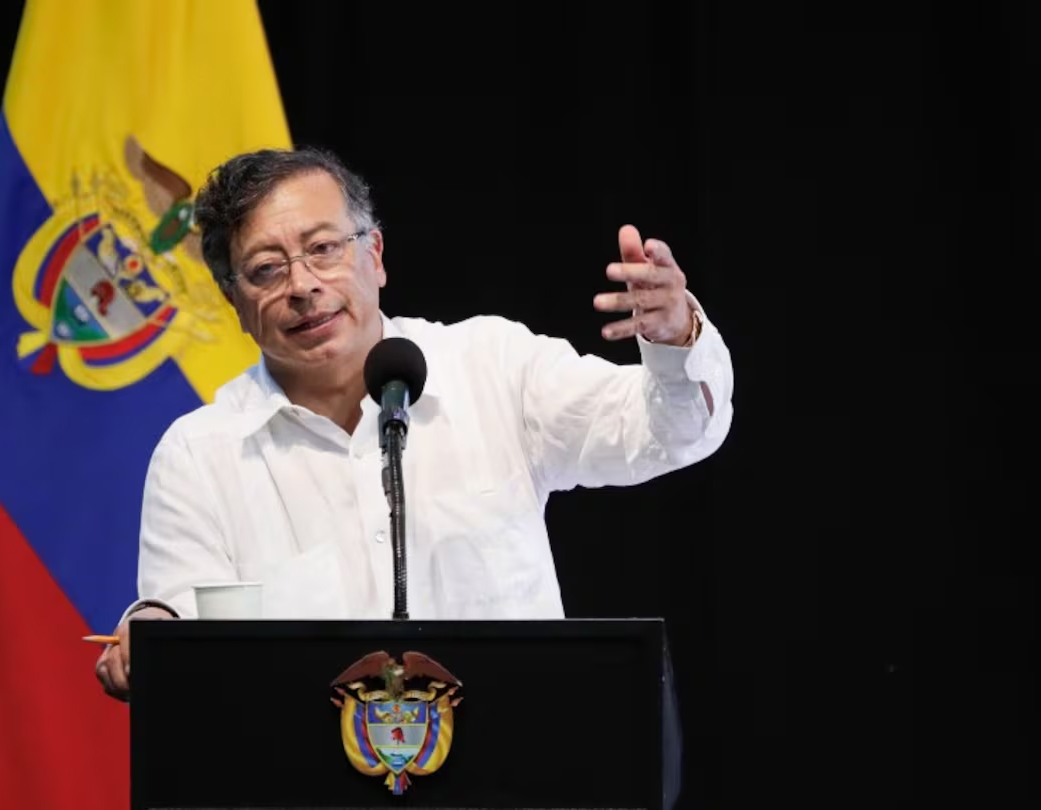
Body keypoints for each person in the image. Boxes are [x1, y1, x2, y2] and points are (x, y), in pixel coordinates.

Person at [95, 146, 733, 701]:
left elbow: (671, 433)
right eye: (266, 269)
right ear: (234, 301)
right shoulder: (199, 454)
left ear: (374, 255)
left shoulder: (492, 367)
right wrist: (152, 633)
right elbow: (179, 639)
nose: (302, 285)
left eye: (323, 249)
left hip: (514, 765)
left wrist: (676, 336)